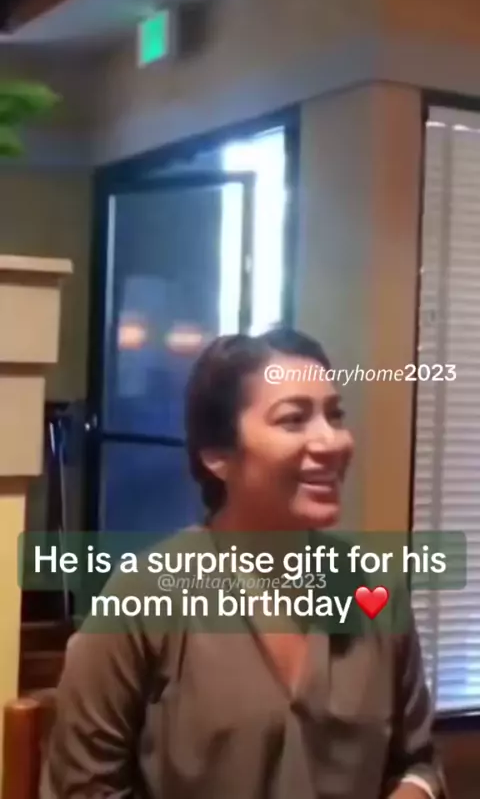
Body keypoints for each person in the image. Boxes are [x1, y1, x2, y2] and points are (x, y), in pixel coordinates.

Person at [45, 327, 447, 798]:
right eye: (293, 420)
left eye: (335, 415)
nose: (331, 441)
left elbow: (418, 763)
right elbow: (84, 788)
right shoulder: (142, 598)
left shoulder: (375, 591)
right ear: (217, 455)